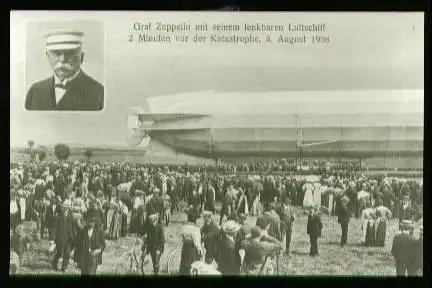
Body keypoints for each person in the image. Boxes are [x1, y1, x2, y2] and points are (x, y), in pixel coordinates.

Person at [25, 30, 104, 111]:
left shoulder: (99, 93)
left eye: (70, 53)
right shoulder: (35, 91)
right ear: (47, 56)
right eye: (56, 53)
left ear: (81, 57)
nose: (63, 59)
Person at [50, 205, 77, 272]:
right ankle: (54, 263)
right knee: (59, 252)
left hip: (69, 238)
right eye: (64, 207)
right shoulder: (58, 217)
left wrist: (75, 237)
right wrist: (52, 239)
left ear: (68, 208)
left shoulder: (71, 217)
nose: (65, 209)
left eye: (66, 208)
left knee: (67, 253)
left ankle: (64, 267)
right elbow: (54, 228)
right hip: (60, 238)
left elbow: (74, 228)